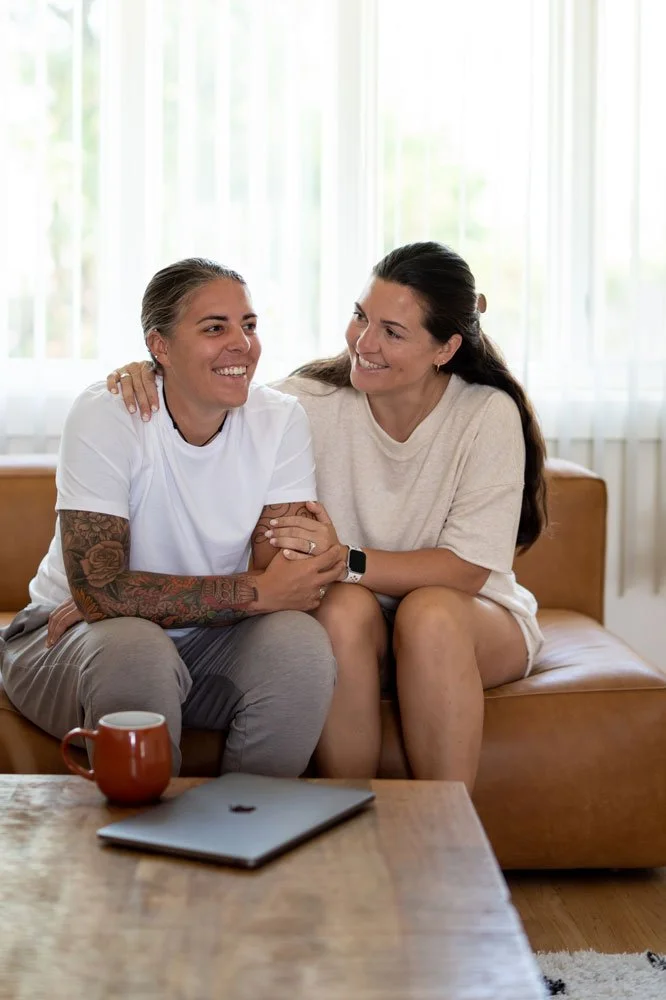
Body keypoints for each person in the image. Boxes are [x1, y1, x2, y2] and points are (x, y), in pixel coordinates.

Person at [50, 242, 548, 792]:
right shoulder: (306, 403)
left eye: (392, 332)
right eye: (361, 317)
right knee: (339, 609)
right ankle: (350, 814)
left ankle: (446, 828)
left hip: (464, 617)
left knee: (427, 615)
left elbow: (467, 571)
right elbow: (214, 384)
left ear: (446, 347)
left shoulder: (485, 412)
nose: (365, 342)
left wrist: (343, 560)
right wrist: (146, 371)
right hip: (351, 620)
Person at [0, 257, 346, 776]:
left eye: (249, 325)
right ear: (159, 346)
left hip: (207, 641)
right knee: (135, 647)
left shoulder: (280, 420)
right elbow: (101, 594)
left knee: (300, 644)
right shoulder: (107, 414)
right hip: (65, 638)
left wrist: (128, 597)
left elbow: (283, 581)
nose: (242, 344)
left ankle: (251, 815)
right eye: (215, 328)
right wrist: (252, 591)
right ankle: (144, 825)